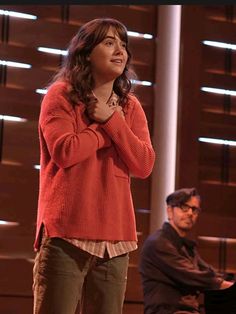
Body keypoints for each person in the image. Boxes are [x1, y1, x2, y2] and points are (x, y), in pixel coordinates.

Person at [32, 17, 155, 314]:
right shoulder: (61, 95)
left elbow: (144, 164)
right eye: (109, 42)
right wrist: (105, 129)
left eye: (123, 45)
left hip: (116, 241)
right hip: (66, 234)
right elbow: (65, 151)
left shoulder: (129, 106)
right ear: (86, 52)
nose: (120, 51)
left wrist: (112, 120)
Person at [139, 188, 234, 314]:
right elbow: (192, 275)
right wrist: (226, 285)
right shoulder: (158, 242)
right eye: (184, 207)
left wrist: (228, 282)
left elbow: (207, 271)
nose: (190, 213)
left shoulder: (187, 246)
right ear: (169, 211)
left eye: (194, 209)